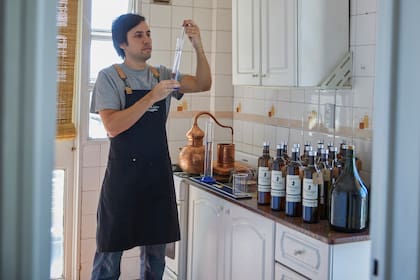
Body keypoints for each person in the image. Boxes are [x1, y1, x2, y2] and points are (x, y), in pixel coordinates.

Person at [90, 13, 211, 280]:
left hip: (157, 180)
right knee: (108, 261)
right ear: (122, 43)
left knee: (155, 265)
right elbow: (112, 126)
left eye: (148, 34)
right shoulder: (109, 77)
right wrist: (152, 97)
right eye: (138, 35)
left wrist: (198, 44)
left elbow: (203, 83)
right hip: (123, 182)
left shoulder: (163, 75)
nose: (147, 40)